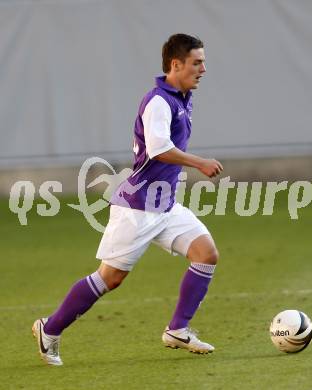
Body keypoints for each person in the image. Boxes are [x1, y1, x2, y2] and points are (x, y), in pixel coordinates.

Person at [32, 33, 223, 366]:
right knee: (110, 278)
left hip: (164, 204)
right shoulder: (159, 102)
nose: (203, 68)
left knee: (206, 253)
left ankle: (178, 329)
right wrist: (200, 162)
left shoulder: (181, 97)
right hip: (137, 208)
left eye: (203, 61)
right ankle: (49, 328)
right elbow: (159, 148)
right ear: (176, 64)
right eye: (197, 62)